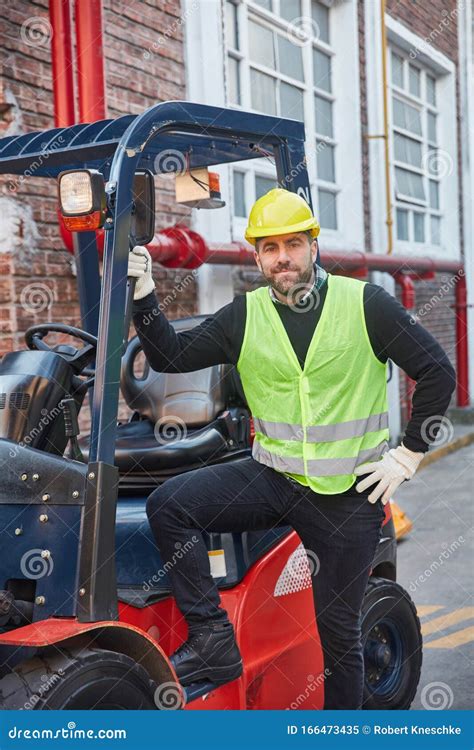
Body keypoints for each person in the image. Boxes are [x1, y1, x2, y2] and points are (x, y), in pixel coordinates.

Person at [128, 188, 456, 709]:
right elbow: (170, 355)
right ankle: (214, 639)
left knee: (340, 642)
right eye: (270, 247)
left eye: (293, 244)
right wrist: (144, 292)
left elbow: (439, 373)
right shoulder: (245, 315)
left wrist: (408, 454)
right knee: (169, 506)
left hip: (349, 497)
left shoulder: (366, 305)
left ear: (313, 245)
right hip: (275, 479)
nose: (283, 257)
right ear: (257, 256)